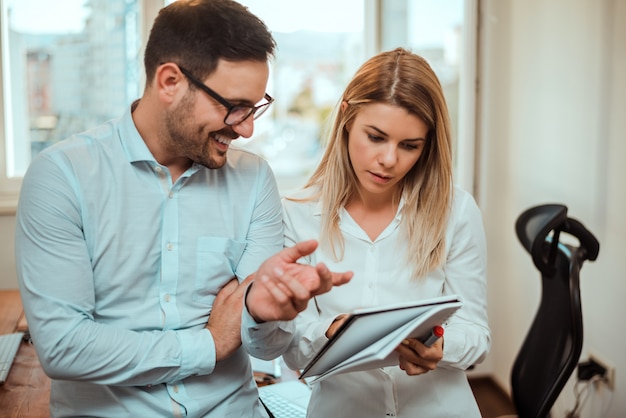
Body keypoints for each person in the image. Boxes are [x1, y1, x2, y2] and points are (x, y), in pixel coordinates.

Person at [14, 1, 351, 417]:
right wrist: (208, 343)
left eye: (255, 106)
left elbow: (264, 346)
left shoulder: (254, 179)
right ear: (170, 81)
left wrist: (264, 313)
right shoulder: (62, 177)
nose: (247, 128)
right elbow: (66, 347)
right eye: (234, 106)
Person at [244, 48, 491, 417]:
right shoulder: (296, 213)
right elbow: (288, 348)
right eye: (376, 137)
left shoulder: (455, 211)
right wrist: (332, 333)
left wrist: (440, 345)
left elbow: (476, 334)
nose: (389, 160)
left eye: (410, 146)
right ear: (346, 118)